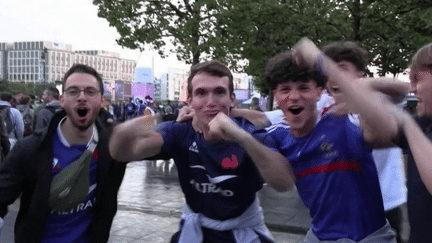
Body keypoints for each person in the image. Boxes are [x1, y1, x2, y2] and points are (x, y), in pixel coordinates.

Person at [109, 60, 294, 243]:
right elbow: (121, 150)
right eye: (201, 93)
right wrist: (162, 118)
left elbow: (284, 183)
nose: (211, 102)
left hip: (243, 231)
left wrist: (240, 137)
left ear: (232, 99)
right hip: (196, 230)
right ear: (190, 101)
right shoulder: (180, 131)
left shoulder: (250, 132)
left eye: (219, 92)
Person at [262, 38, 401, 242]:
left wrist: (320, 61)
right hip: (319, 236)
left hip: (371, 232)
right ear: (275, 95)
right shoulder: (277, 134)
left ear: (319, 91)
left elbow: (387, 124)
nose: (294, 96)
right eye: (285, 89)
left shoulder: (346, 119)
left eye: (303, 87)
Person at [0, 64, 126, 243]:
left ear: (101, 100)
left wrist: (174, 120)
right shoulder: (31, 149)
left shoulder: (112, 145)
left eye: (90, 92)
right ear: (62, 100)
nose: (82, 97)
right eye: (73, 91)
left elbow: (152, 131)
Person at [389, 42, 432, 243]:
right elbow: (372, 129)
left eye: (417, 79)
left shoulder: (415, 126)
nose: (412, 89)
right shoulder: (424, 123)